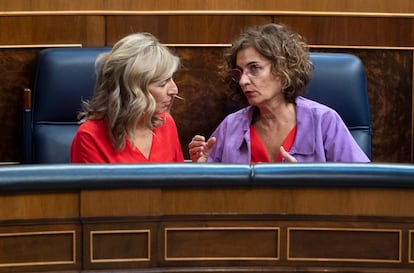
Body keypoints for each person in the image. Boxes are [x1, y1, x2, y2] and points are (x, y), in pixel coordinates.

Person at [188, 23, 370, 163]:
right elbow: (213, 196)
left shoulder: (324, 121)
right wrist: (202, 167)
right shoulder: (231, 126)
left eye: (254, 68)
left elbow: (362, 184)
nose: (243, 81)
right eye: (239, 72)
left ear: (283, 69)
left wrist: (310, 184)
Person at [70, 32, 184, 163]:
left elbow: (178, 181)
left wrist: (199, 168)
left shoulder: (166, 122)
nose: (174, 90)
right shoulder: (90, 137)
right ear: (132, 90)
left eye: (171, 79)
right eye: (163, 83)